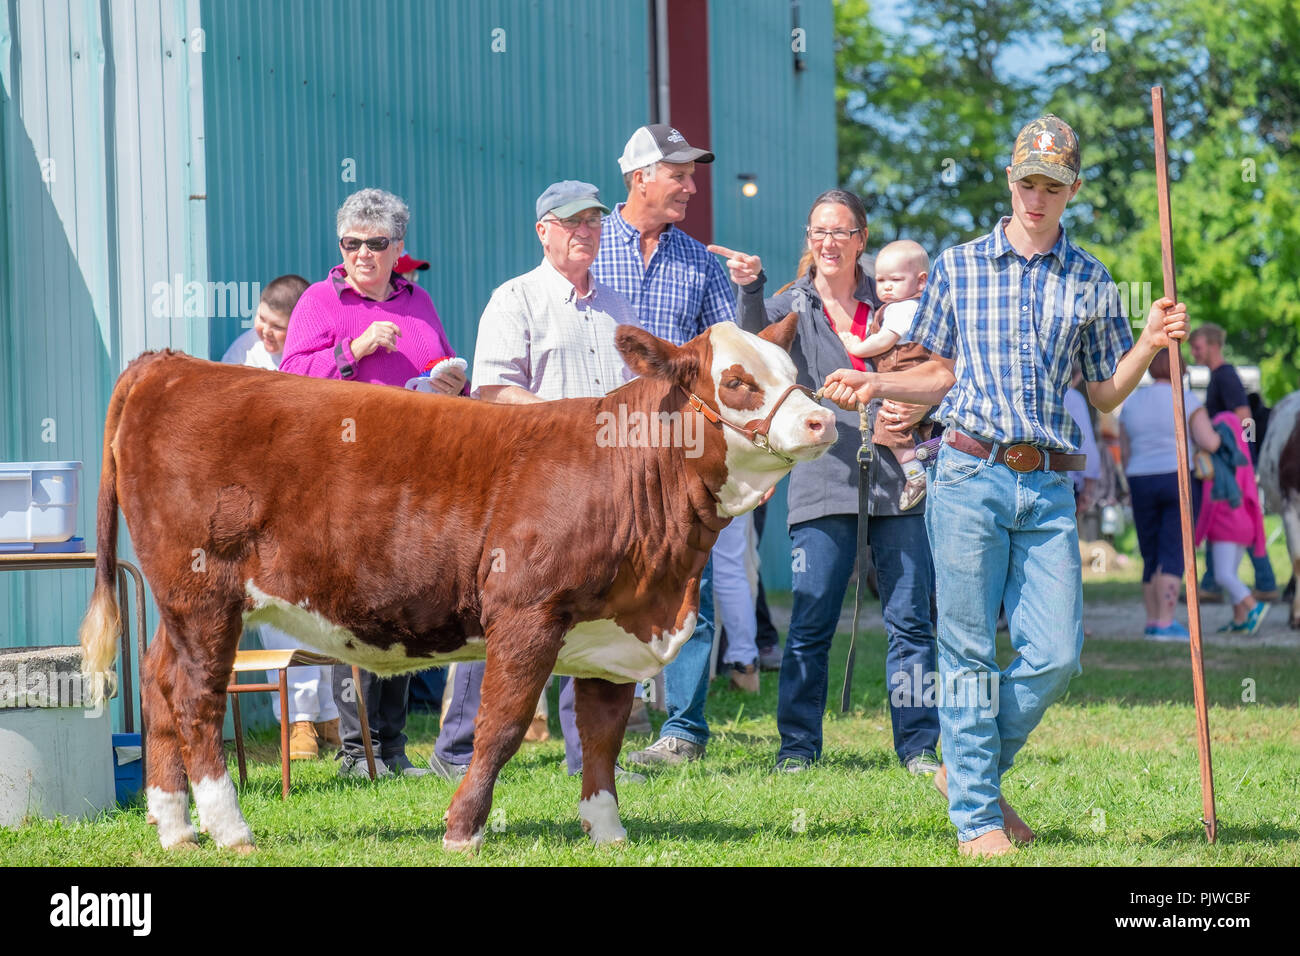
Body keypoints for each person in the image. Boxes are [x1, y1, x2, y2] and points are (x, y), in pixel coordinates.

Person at [822, 115, 1189, 856]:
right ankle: (978, 821)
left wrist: (1149, 341)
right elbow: (940, 371)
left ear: (1072, 190)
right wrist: (874, 380)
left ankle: (966, 767)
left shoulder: (1089, 278)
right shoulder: (959, 266)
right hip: (966, 473)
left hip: (1050, 485)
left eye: (1052, 185)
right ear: (1010, 181)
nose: (1037, 196)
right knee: (964, 653)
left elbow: (1105, 392)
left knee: (1056, 654)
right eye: (1027, 181)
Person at [428, 180, 645, 782]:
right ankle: (458, 753)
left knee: (596, 617)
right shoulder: (515, 299)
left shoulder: (618, 307)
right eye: (573, 222)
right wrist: (573, 430)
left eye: (596, 222)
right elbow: (494, 391)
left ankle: (592, 757)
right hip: (535, 490)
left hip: (609, 491)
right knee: (502, 610)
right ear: (543, 230)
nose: (586, 232)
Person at [734, 189, 941, 776]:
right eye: (818, 231)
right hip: (822, 476)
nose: (828, 242)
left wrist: (920, 414)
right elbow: (752, 354)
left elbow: (939, 366)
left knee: (910, 620)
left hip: (899, 478)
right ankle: (798, 747)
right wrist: (750, 291)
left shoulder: (896, 296)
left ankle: (919, 747)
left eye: (840, 232)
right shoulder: (787, 303)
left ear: (861, 240)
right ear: (809, 240)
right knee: (811, 619)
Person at [592, 124, 765, 767]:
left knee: (691, 580)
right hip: (601, 445)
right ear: (640, 177)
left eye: (693, 175)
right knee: (599, 579)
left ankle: (684, 729)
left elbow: (744, 352)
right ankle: (611, 711)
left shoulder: (700, 260)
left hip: (681, 446)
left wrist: (749, 289)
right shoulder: (590, 244)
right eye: (680, 174)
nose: (693, 187)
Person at [280, 187, 467, 779]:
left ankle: (391, 748)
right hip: (346, 479)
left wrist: (451, 381)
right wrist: (350, 350)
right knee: (357, 612)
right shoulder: (319, 300)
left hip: (415, 480)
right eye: (352, 243)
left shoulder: (419, 302)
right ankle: (355, 752)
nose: (363, 253)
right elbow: (288, 381)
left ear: (398, 248)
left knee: (405, 612)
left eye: (376, 243)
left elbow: (443, 365)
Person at [221, 275, 340, 759]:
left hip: (313, 499)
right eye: (261, 322)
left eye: (277, 327)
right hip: (262, 505)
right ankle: (299, 723)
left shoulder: (313, 360)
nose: (265, 334)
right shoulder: (241, 356)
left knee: (321, 610)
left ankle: (328, 715)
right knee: (280, 612)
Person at [1119, 347, 1224, 640]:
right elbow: (1210, 441)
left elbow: (1125, 450)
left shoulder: (1132, 402)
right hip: (1177, 477)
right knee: (1173, 549)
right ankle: (1166, 622)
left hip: (1140, 478)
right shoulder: (1186, 399)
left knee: (1150, 552)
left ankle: (1152, 620)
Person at [838, 239, 932, 510]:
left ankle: (915, 475)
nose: (887, 286)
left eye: (895, 279)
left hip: (906, 378)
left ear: (921, 281)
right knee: (918, 429)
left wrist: (855, 346)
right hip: (912, 380)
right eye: (881, 280)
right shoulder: (901, 306)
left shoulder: (904, 308)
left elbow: (884, 342)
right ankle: (927, 462)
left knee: (889, 427)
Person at [1188, 323, 1278, 602]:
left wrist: (1242, 453)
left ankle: (1259, 582)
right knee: (1230, 518)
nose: (1193, 352)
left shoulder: (1225, 376)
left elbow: (1244, 416)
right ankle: (1216, 583)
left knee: (1236, 516)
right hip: (1235, 461)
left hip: (1234, 463)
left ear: (1214, 345)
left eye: (1197, 347)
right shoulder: (1219, 376)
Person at [1195, 411, 1270, 633]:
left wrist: (1196, 535)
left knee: (1223, 575)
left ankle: (1253, 607)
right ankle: (1239, 619)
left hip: (1225, 526)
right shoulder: (1244, 463)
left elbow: (1210, 504)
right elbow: (1253, 500)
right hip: (1245, 526)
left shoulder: (1219, 466)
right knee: (1232, 573)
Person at [220, 274, 307, 370]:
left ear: (301, 328)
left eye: (277, 326)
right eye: (261, 319)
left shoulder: (308, 355)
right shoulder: (245, 350)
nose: (266, 331)